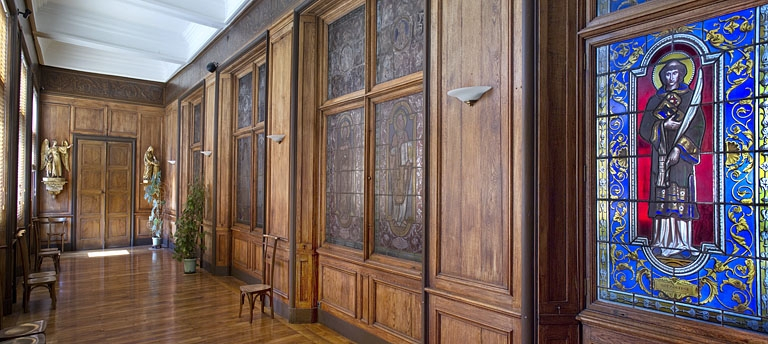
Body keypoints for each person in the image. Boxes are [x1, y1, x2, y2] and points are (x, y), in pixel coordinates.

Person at [639, 59, 705, 257]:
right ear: (662, 76)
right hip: (659, 155)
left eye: (674, 73)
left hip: (681, 159)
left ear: (682, 75)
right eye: (667, 74)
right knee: (661, 195)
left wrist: (678, 148)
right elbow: (644, 129)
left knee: (681, 195)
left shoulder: (690, 98)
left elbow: (698, 127)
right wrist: (662, 127)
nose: (670, 78)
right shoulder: (654, 100)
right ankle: (660, 241)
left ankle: (683, 243)